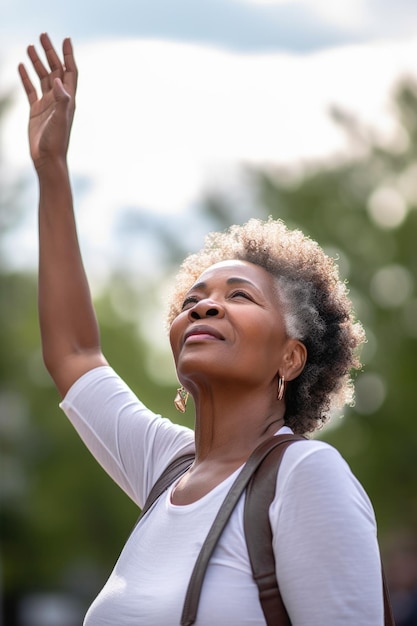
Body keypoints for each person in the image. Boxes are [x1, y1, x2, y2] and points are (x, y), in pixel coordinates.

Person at [19, 33, 386, 625]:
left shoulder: (304, 477)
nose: (204, 307)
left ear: (290, 359)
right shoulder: (167, 467)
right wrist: (52, 170)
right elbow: (74, 354)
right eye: (194, 299)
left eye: (238, 297)